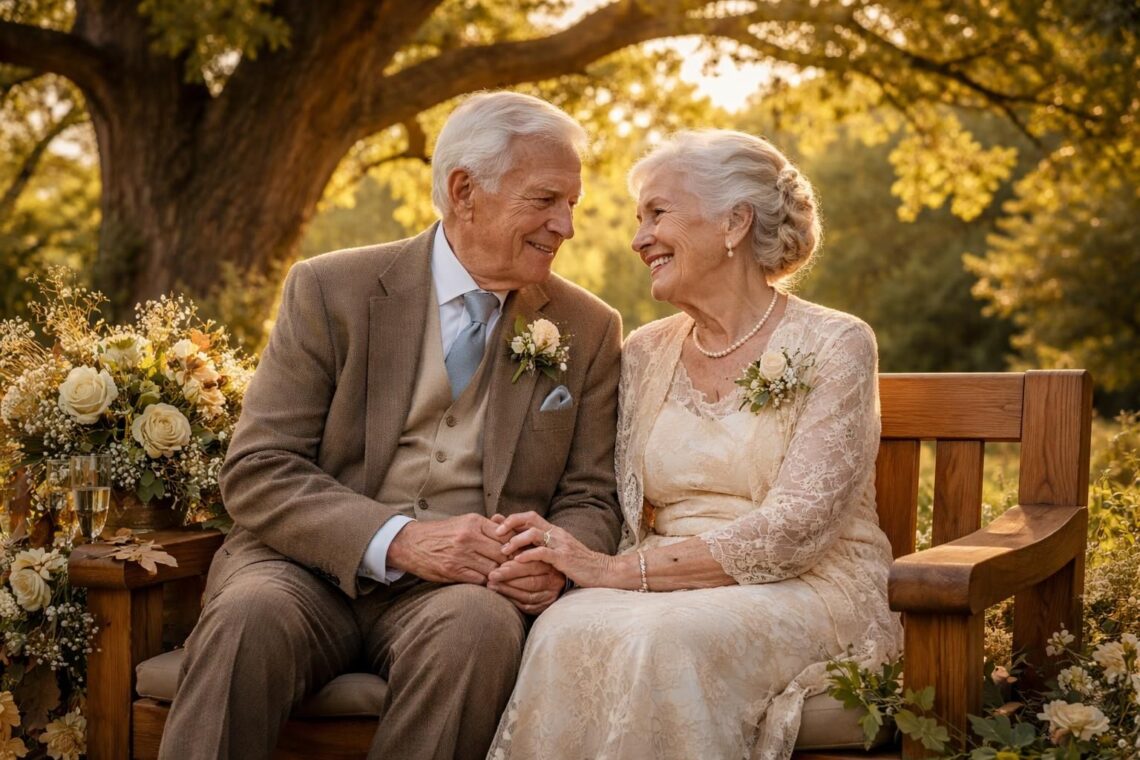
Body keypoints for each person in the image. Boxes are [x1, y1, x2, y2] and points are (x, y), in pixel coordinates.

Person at [158, 92, 624, 760]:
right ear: (465, 190)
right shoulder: (330, 290)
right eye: (545, 200)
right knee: (246, 618)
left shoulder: (588, 327)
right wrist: (399, 540)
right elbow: (260, 469)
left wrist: (556, 559)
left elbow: (588, 494)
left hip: (464, 592)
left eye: (571, 204)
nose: (565, 226)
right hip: (301, 569)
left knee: (480, 632)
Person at [486, 130, 903, 760]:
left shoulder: (837, 343)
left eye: (658, 213)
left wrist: (615, 572)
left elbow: (798, 530)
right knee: (565, 628)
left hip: (809, 583)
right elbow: (605, 495)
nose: (638, 238)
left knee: (668, 641)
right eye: (638, 219)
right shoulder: (646, 352)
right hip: (662, 580)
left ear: (734, 222)